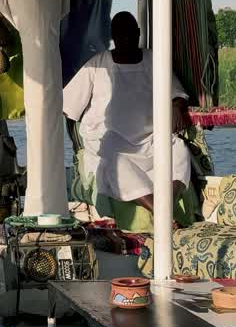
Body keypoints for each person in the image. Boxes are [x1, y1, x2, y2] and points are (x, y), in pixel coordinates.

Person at [62, 11, 193, 217]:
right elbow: (67, 106)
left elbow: (176, 92)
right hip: (112, 144)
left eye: (130, 33)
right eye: (120, 34)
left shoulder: (152, 60)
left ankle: (168, 202)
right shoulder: (97, 64)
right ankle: (162, 214)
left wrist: (176, 106)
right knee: (113, 162)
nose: (126, 38)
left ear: (138, 33)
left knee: (178, 149)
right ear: (112, 36)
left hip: (151, 141)